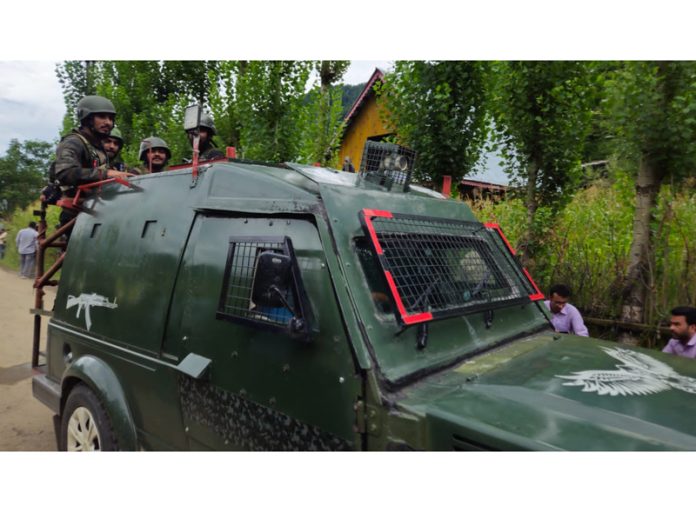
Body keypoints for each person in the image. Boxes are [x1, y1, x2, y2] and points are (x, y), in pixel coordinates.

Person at [53, 95, 133, 231]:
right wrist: (107, 173)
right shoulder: (74, 142)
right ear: (87, 119)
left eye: (111, 118)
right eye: (102, 117)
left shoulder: (97, 147)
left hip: (98, 211)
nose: (108, 122)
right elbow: (64, 172)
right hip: (77, 215)